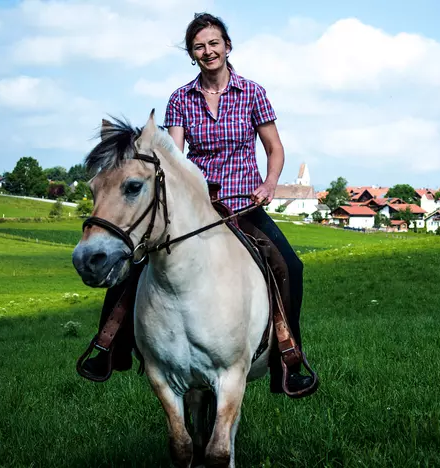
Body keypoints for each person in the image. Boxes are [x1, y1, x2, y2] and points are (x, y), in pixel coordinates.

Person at [81, 12, 316, 395]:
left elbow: (274, 148)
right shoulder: (180, 99)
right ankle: (109, 345)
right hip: (196, 208)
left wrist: (270, 183)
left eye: (213, 43)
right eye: (199, 46)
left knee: (289, 264)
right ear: (192, 54)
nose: (208, 51)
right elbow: (174, 157)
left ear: (227, 46)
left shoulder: (252, 92)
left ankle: (289, 358)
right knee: (137, 260)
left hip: (243, 204)